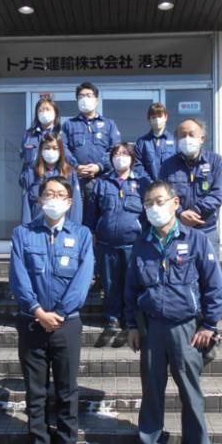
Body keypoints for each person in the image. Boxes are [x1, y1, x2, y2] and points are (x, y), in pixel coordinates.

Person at [124, 181, 222, 444]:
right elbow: (131, 289)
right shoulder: (141, 244)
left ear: (175, 203)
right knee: (152, 393)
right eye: (148, 203)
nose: (154, 208)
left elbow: (214, 285)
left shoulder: (196, 240)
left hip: (187, 330)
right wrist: (131, 325)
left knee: (191, 394)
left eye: (159, 201)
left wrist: (209, 324)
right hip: (152, 329)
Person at [9, 176, 94, 444]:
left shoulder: (82, 235)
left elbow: (83, 279)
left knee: (67, 390)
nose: (53, 199)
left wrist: (57, 313)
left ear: (69, 202)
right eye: (48, 194)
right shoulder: (23, 234)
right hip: (31, 322)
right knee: (36, 391)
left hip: (66, 324)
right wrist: (37, 311)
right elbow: (18, 277)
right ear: (39, 199)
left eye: (60, 194)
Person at [84, 142, 151, 345]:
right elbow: (91, 214)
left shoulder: (142, 183)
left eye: (124, 154)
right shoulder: (102, 183)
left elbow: (149, 214)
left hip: (134, 245)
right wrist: (91, 235)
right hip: (107, 244)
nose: (120, 157)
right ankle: (112, 318)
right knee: (110, 283)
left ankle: (131, 319)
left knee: (132, 283)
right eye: (116, 154)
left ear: (132, 158)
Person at [159, 118, 222, 257]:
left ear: (202, 138)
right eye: (182, 135)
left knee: (209, 270)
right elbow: (162, 196)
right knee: (178, 270)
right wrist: (180, 214)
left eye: (191, 134)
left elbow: (217, 195)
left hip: (207, 231)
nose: (187, 139)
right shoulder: (168, 165)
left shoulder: (215, 162)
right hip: (177, 231)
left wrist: (196, 210)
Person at [62, 82, 121, 201]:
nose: (85, 99)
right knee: (77, 212)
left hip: (103, 179)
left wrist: (99, 166)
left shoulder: (109, 124)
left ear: (96, 100)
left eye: (89, 95)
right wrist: (76, 166)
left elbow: (115, 149)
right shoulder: (69, 124)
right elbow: (63, 148)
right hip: (77, 181)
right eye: (81, 96)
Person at [20, 132, 82, 224]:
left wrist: (74, 228)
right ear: (41, 151)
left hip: (63, 227)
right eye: (47, 148)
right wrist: (26, 228)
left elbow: (76, 205)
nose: (51, 151)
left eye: (55, 148)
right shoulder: (31, 173)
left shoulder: (70, 173)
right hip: (36, 228)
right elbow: (26, 206)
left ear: (61, 151)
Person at [20, 97, 75, 169]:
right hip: (32, 174)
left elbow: (68, 156)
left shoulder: (62, 134)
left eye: (48, 109)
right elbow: (23, 156)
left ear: (55, 113)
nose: (44, 113)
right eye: (41, 110)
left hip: (54, 174)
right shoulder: (29, 135)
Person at [135, 103, 178, 181]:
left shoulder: (176, 141)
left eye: (160, 116)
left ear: (166, 117)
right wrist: (149, 182)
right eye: (153, 117)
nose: (157, 120)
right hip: (148, 186)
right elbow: (137, 165)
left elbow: (179, 164)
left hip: (170, 186)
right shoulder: (142, 142)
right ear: (149, 119)